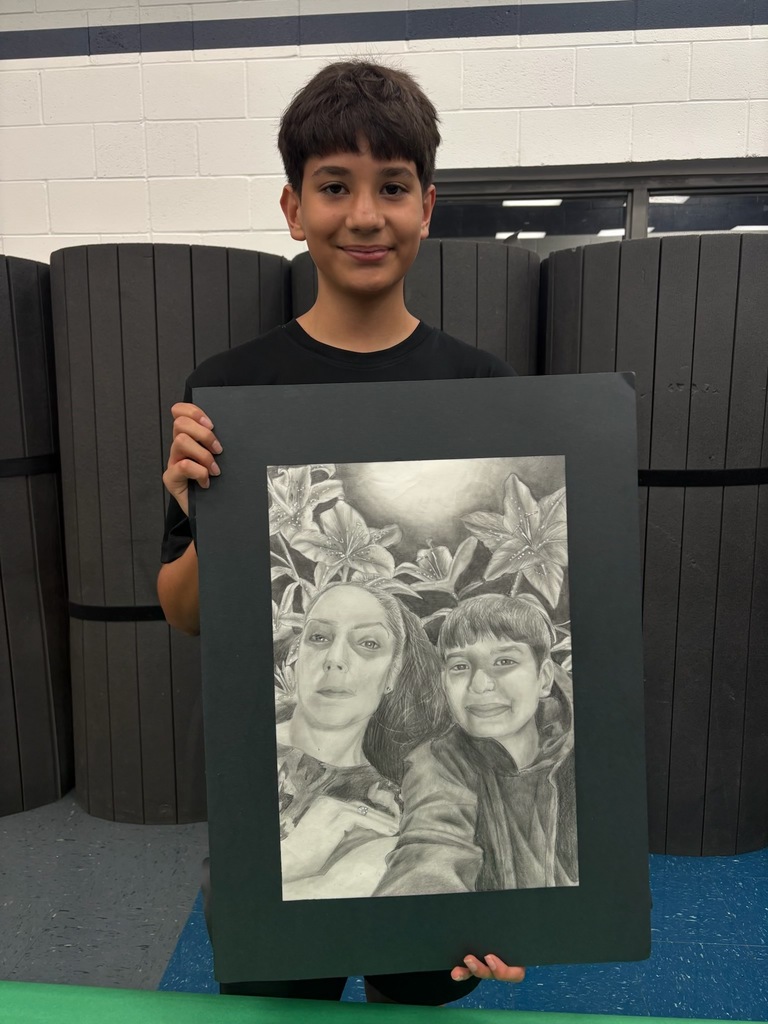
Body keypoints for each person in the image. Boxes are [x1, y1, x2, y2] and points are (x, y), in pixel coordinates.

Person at [158, 59, 524, 1003]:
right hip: (267, 830)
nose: (365, 216)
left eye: (392, 187)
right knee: (285, 1001)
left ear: (428, 206)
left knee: (423, 993)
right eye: (335, 187)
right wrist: (206, 517)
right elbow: (187, 613)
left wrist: (525, 893)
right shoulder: (230, 391)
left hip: (424, 824)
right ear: (292, 208)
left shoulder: (482, 390)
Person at [375, 595, 578, 898]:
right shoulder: (437, 764)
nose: (479, 684)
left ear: (544, 678)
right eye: (460, 666)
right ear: (445, 682)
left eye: (504, 661)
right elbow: (427, 855)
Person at [276, 581, 444, 901]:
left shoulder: (384, 810)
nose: (335, 658)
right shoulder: (240, 751)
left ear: (393, 672)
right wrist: (294, 858)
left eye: (367, 643)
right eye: (320, 637)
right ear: (298, 656)